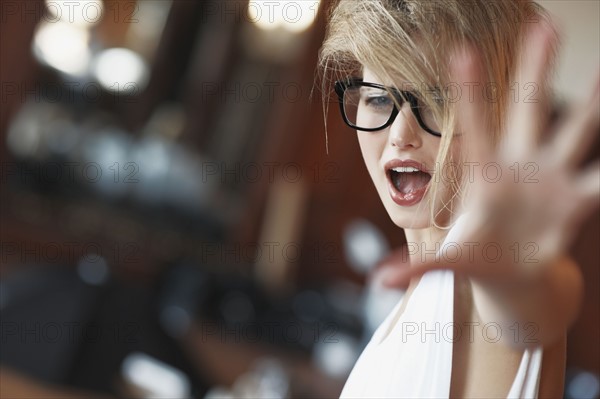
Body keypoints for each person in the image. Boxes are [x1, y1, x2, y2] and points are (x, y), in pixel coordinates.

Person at [318, 0, 599, 397]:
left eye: (438, 100)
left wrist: (516, 271)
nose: (401, 133)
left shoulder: (481, 267)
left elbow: (531, 295)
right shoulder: (407, 310)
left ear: (498, 112)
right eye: (379, 99)